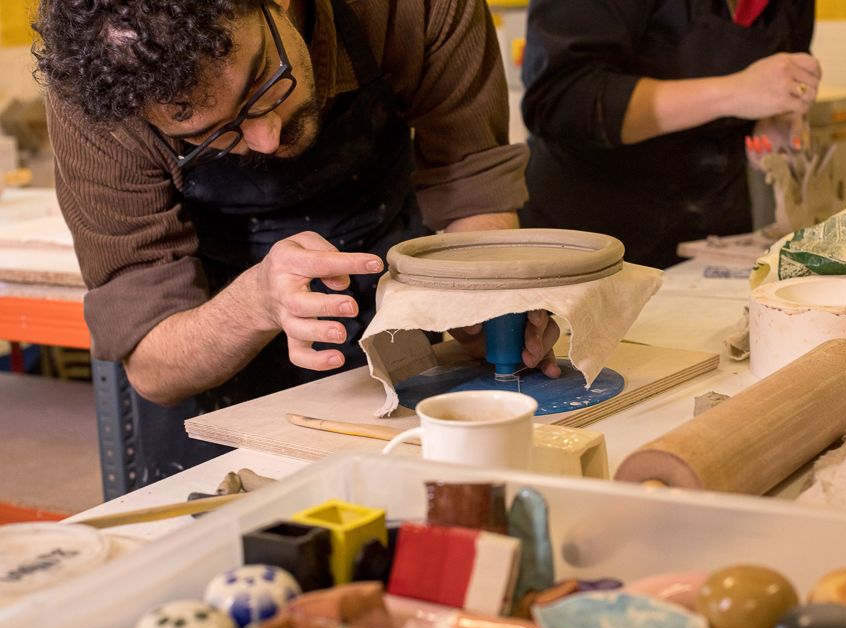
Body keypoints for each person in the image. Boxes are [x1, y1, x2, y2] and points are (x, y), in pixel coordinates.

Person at [33, 0, 559, 479]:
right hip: (213, 336)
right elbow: (152, 362)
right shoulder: (103, 96)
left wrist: (476, 298)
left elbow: (471, 185)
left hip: (385, 277)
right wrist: (255, 304)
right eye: (210, 134)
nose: (266, 138)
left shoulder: (409, 7)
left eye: (262, 81)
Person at [518, 0, 821, 268]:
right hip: (589, 236)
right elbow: (561, 100)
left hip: (711, 236)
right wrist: (732, 93)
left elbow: (779, 79)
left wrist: (774, 118)